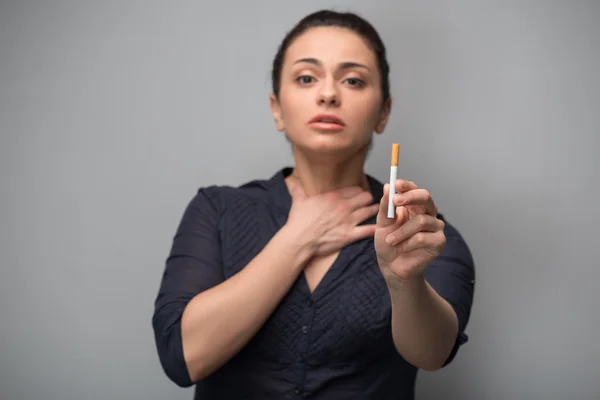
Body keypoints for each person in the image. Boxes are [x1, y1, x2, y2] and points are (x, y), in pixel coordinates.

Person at [152, 9, 475, 400]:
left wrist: (404, 281)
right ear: (277, 109)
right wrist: (298, 239)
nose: (328, 94)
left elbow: (433, 353)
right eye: (306, 78)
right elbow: (181, 356)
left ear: (383, 112)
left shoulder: (418, 234)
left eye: (353, 80)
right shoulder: (216, 210)